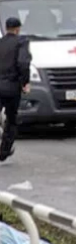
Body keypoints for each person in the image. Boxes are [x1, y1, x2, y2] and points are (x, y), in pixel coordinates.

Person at [0, 18, 31, 162]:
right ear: (18, 29)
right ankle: (4, 150)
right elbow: (23, 63)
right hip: (12, 86)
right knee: (11, 119)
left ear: (6, 28)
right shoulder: (21, 42)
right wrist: (25, 82)